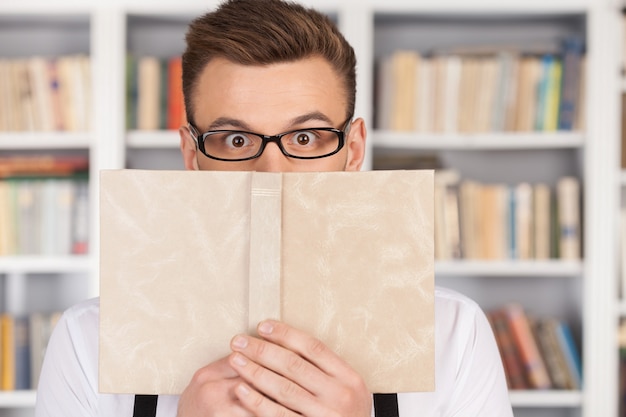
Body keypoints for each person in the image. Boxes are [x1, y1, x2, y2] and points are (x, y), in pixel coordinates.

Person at [35, 0, 514, 416]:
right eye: (236, 138)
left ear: (353, 150)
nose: (271, 172)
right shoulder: (89, 339)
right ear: (191, 155)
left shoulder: (452, 333)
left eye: (305, 137)